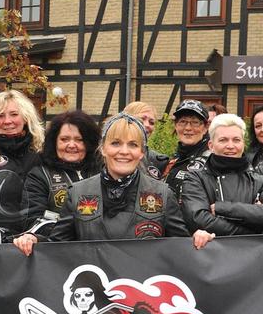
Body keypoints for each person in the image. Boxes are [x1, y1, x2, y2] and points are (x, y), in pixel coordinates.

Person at [12, 113, 189, 252]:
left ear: (142, 152)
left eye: (133, 145)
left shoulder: (162, 194)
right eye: (116, 143)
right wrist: (35, 239)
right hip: (93, 290)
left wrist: (201, 240)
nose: (124, 151)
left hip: (141, 293)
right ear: (103, 148)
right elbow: (58, 246)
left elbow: (181, 250)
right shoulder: (78, 193)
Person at [182, 113, 263, 249]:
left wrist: (222, 208)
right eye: (223, 140)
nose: (230, 146)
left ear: (243, 144)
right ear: (211, 145)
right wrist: (252, 230)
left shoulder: (260, 180)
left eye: (236, 140)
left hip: (254, 255)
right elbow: (199, 219)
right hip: (212, 257)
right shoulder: (195, 178)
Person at [22, 110, 100, 222]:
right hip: (57, 239)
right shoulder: (40, 176)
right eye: (64, 139)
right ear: (54, 142)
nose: (72, 145)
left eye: (79, 140)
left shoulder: (102, 172)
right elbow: (33, 219)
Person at [162, 99, 211, 205]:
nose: (188, 128)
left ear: (205, 127)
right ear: (175, 125)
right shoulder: (175, 159)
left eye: (195, 122)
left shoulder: (212, 161)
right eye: (183, 122)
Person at [121, 100, 167, 179]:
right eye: (142, 119)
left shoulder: (160, 162)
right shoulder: (107, 155)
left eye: (151, 122)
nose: (147, 125)